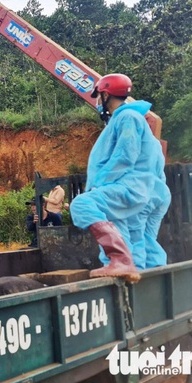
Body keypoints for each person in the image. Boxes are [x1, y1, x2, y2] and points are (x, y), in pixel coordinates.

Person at [70, 73, 170, 282]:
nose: (97, 102)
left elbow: (125, 155)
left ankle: (119, 260)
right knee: (136, 236)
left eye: (98, 96)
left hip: (130, 186)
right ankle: (146, 275)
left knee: (82, 204)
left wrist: (100, 184)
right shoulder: (133, 120)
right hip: (147, 188)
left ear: (105, 94)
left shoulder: (127, 118)